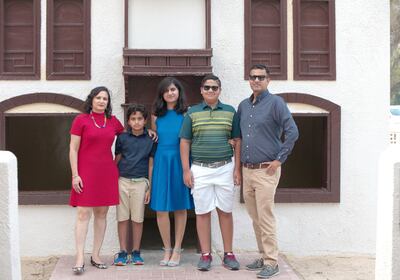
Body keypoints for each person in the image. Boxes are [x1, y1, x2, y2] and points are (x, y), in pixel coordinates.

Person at [238, 64, 299, 279]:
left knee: (266, 217)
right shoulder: (244, 106)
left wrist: (279, 160)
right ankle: (264, 256)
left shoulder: (276, 103)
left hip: (266, 171)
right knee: (255, 218)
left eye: (260, 77)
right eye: (253, 77)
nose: (256, 80)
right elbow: (239, 136)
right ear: (249, 80)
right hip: (247, 171)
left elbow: (293, 133)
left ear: (268, 80)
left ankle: (272, 262)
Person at [180, 74, 241, 271]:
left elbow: (237, 141)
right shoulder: (192, 113)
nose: (211, 91)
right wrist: (186, 170)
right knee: (203, 212)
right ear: (201, 90)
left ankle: (228, 254)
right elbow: (185, 142)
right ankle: (206, 255)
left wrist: (237, 169)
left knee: (225, 212)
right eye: (207, 88)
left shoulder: (231, 112)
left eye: (214, 88)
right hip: (200, 169)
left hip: (225, 168)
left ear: (220, 90)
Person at [69, 86, 124, 274]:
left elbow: (129, 138)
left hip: (106, 172)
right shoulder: (81, 120)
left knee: (101, 213)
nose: (102, 101)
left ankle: (96, 255)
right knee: (83, 213)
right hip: (85, 172)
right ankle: (79, 257)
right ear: (91, 100)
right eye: (99, 98)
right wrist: (75, 174)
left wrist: (149, 133)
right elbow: (73, 149)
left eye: (105, 99)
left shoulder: (113, 122)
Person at [150, 77, 194, 267]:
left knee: (179, 206)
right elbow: (155, 137)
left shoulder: (187, 113)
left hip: (180, 160)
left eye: (173, 89)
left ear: (179, 92)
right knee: (161, 207)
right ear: (162, 94)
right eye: (166, 90)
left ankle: (177, 249)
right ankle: (166, 248)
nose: (170, 93)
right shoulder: (155, 115)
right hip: (161, 160)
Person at [113, 104, 156, 266]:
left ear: (145, 121)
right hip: (122, 181)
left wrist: (149, 188)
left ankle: (136, 252)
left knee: (138, 219)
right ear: (129, 121)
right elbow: (117, 160)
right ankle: (123, 252)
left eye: (140, 119)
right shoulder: (122, 138)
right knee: (122, 218)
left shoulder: (151, 139)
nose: (136, 122)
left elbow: (151, 164)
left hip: (140, 183)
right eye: (133, 119)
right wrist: (111, 179)